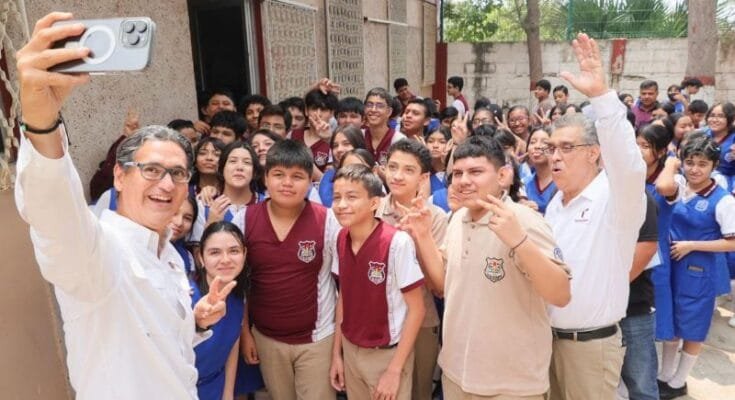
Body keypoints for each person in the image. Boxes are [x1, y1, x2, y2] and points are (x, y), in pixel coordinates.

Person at [14, 12, 235, 398]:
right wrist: (41, 122)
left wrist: (195, 322)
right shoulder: (97, 253)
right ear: (119, 175)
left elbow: (157, 344)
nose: (165, 184)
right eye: (151, 170)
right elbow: (54, 212)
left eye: (177, 173)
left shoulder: (169, 254)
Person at [400, 135, 570, 399]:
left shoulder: (523, 220)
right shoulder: (458, 218)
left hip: (510, 384)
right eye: (457, 173)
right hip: (457, 373)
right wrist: (423, 236)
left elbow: (560, 294)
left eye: (476, 172)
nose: (463, 180)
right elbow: (444, 285)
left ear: (502, 176)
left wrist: (519, 241)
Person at [544, 33, 647, 400]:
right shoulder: (556, 204)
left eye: (566, 148)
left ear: (593, 153)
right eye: (551, 148)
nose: (555, 156)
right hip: (547, 343)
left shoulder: (616, 198)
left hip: (590, 349)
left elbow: (629, 165)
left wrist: (602, 97)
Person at [239, 139, 340, 400]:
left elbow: (346, 287)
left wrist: (338, 348)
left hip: (318, 338)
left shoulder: (327, 220)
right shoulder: (245, 219)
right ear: (265, 178)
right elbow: (239, 285)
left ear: (309, 182)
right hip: (266, 338)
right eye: (278, 174)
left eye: (297, 176)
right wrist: (246, 333)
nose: (287, 183)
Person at [329, 164, 426, 400]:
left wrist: (394, 370)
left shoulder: (397, 243)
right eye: (337, 197)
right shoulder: (341, 237)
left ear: (374, 203)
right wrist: (336, 354)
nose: (341, 205)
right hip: (351, 348)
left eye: (351, 197)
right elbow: (344, 297)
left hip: (386, 354)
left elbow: (417, 310)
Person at [654, 136, 735, 399]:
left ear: (714, 166)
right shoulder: (678, 186)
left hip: (699, 271)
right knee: (671, 321)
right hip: (672, 268)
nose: (695, 169)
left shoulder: (723, 200)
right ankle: (665, 374)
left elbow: (731, 242)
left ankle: (679, 381)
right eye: (689, 162)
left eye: (702, 164)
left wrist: (692, 245)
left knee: (693, 326)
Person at [374, 140, 447, 400]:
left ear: (423, 177)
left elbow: (439, 286)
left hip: (423, 320)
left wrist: (419, 237)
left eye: (408, 170)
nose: (397, 176)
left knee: (418, 390)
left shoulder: (435, 217)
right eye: (392, 167)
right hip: (377, 318)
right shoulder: (373, 210)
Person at [192, 222, 250, 400]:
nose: (225, 259)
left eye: (234, 251)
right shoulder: (186, 295)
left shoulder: (237, 298)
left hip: (215, 387)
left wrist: (228, 394)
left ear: (244, 254)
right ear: (201, 257)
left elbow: (231, 347)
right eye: (215, 252)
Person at [618, 193, 660, 400]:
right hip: (591, 310)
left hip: (633, 307)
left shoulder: (640, 198)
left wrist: (607, 291)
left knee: (641, 384)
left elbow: (647, 249)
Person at [192, 141, 265, 240]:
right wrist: (211, 224)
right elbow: (196, 249)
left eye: (247, 162)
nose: (239, 167)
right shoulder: (205, 203)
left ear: (254, 172)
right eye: (233, 161)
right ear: (222, 168)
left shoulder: (267, 204)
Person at [319, 124, 367, 207]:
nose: (339, 149)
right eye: (335, 146)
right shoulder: (328, 176)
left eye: (346, 144)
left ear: (358, 146)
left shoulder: (370, 176)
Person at [363, 88, 406, 166]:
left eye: (380, 106)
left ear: (389, 112)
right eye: (369, 105)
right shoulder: (360, 136)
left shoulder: (398, 140)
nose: (373, 109)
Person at [523, 127, 557, 214]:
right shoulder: (524, 183)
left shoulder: (562, 182)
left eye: (544, 142)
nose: (537, 146)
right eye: (532, 142)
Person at [704, 102, 735, 191]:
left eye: (721, 116)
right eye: (712, 115)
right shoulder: (703, 134)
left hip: (729, 184)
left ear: (731, 119)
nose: (714, 120)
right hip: (703, 180)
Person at [170, 194, 199, 277]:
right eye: (174, 213)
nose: (179, 222)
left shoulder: (188, 258)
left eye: (187, 218)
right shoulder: (141, 247)